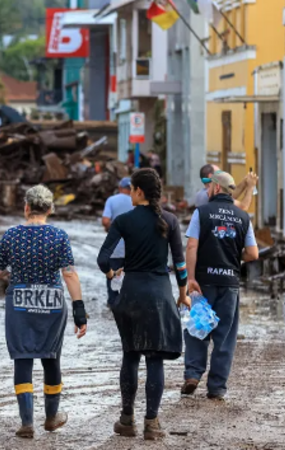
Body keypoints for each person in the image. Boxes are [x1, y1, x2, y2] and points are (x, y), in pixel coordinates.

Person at [0, 185, 87, 439]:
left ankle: (27, 423)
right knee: (51, 357)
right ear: (50, 209)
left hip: (19, 303)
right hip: (52, 303)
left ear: (26, 208)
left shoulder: (11, 236)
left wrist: (10, 270)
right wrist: (79, 310)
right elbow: (69, 274)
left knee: (23, 358)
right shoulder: (59, 236)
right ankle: (52, 417)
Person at [97, 168, 189, 441]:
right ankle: (152, 422)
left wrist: (113, 274)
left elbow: (103, 259)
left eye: (132, 190)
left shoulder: (123, 221)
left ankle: (127, 419)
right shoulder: (170, 220)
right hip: (160, 294)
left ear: (138, 191)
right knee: (155, 358)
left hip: (132, 293)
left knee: (130, 355)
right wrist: (182, 294)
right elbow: (180, 265)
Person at [182, 170, 259, 400]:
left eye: (208, 187)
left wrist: (191, 279)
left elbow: (191, 247)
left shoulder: (201, 213)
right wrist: (235, 256)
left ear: (216, 188)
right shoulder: (243, 217)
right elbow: (253, 254)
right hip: (229, 283)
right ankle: (216, 387)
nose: (206, 190)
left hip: (203, 282)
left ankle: (193, 375)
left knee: (198, 328)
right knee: (225, 336)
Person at [101, 177, 134, 307]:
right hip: (133, 248)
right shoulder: (136, 201)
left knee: (113, 275)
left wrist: (111, 230)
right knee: (131, 277)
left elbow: (105, 221)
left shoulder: (112, 200)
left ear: (120, 188)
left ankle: (113, 302)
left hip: (115, 248)